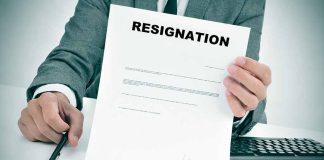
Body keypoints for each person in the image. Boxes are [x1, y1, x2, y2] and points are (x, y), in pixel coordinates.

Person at [18, 0, 271, 147]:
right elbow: (75, 51)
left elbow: (245, 81)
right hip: (105, 137)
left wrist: (243, 103)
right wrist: (55, 92)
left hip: (191, 142)